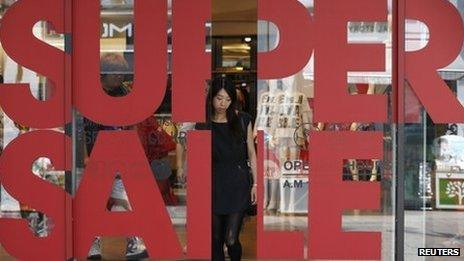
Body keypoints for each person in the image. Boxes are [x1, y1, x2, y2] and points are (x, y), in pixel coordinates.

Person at [84, 53, 148, 260]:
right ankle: (92, 244)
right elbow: (80, 128)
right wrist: (84, 156)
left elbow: (134, 122)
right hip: (94, 155)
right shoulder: (90, 95)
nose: (121, 76)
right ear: (103, 73)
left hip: (121, 155)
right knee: (93, 203)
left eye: (122, 72)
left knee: (126, 198)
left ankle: (133, 241)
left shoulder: (125, 92)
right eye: (116, 73)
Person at [196, 78, 257, 261]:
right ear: (211, 97)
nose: (223, 104)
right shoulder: (203, 124)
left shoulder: (243, 120)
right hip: (213, 183)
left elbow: (252, 154)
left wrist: (256, 184)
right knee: (215, 239)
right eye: (219, 98)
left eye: (228, 99)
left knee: (231, 239)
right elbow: (198, 158)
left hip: (238, 183)